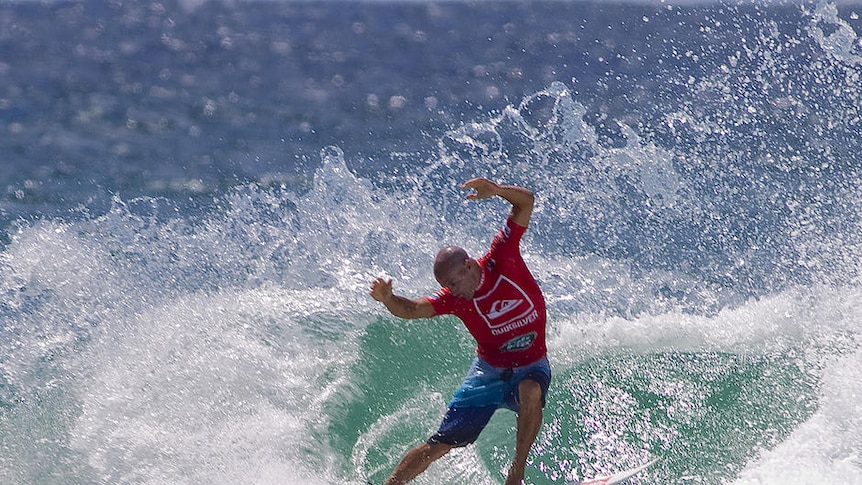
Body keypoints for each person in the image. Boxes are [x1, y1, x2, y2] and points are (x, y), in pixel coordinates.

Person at [369, 177, 550, 485]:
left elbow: (526, 201)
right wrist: (388, 299)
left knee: (530, 390)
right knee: (439, 444)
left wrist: (497, 191)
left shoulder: (502, 257)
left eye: (453, 282)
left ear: (468, 265)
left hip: (532, 362)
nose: (451, 290)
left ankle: (515, 475)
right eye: (445, 287)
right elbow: (412, 309)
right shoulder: (455, 299)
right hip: (489, 371)